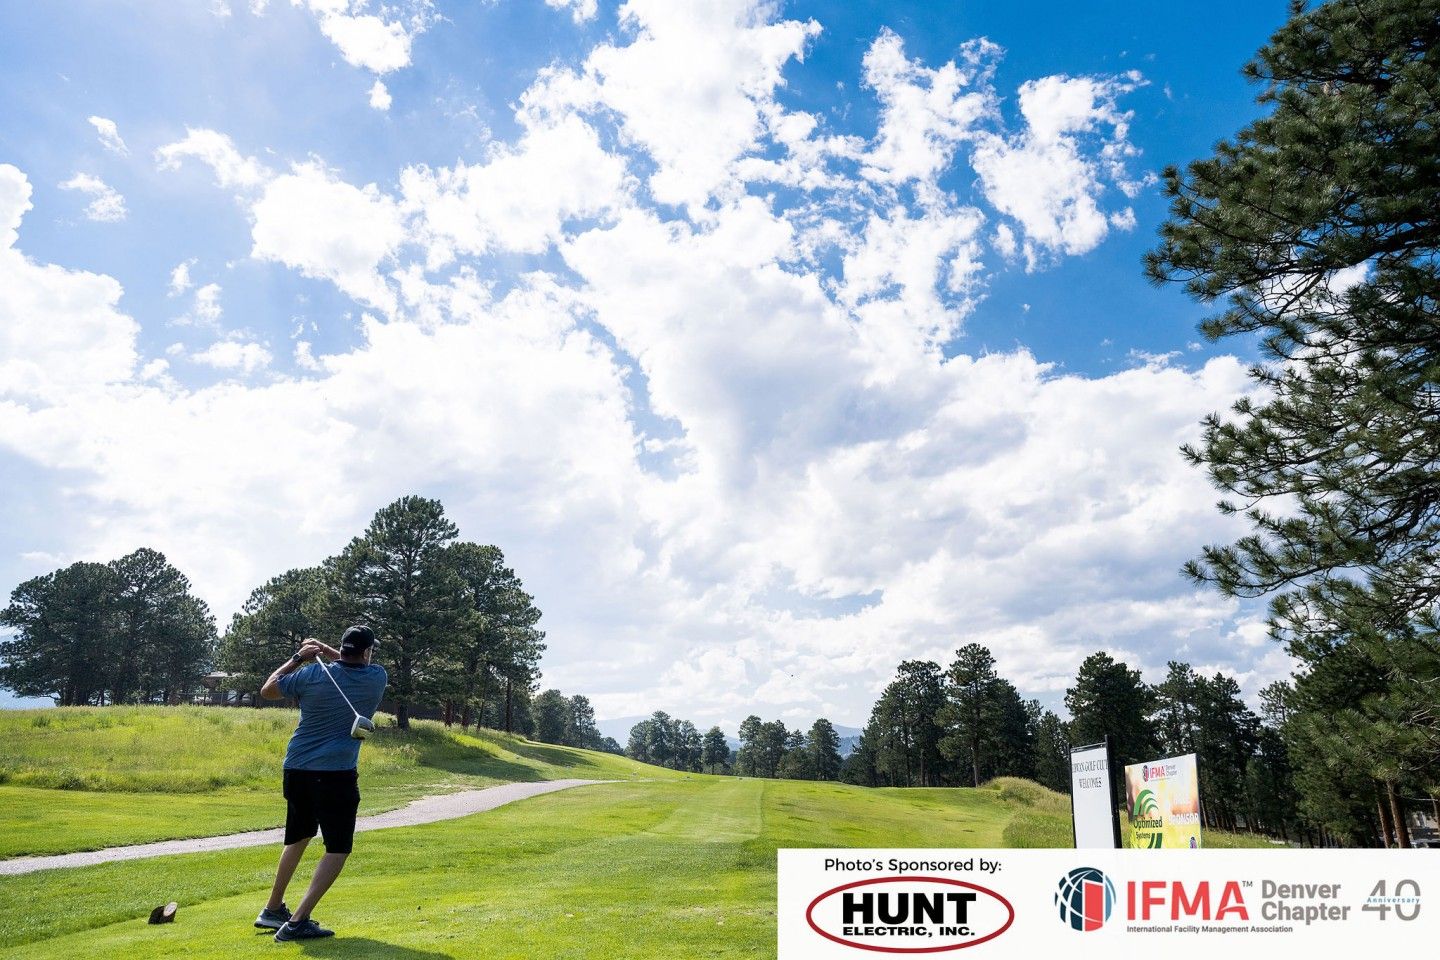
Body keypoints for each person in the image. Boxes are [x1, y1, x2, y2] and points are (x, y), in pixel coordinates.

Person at [254, 625, 387, 942]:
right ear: (367, 652)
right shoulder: (376, 678)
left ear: (343, 648)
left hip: (297, 768)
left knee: (299, 837)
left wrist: (299, 657)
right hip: (336, 773)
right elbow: (353, 661)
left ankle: (272, 910)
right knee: (338, 847)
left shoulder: (311, 675)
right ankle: (297, 922)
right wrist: (327, 651)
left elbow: (268, 690)